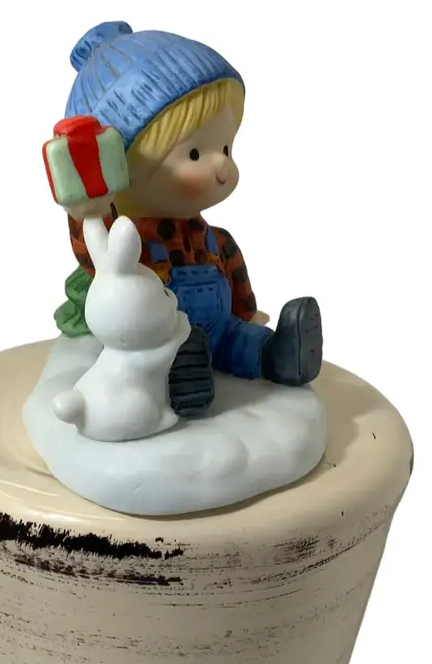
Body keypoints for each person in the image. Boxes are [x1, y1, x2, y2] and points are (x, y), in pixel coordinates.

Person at [54, 21, 323, 416]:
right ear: (120, 165)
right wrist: (85, 211)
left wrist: (247, 315)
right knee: (165, 354)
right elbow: (97, 258)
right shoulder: (123, 238)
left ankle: (277, 354)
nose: (223, 167)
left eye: (226, 148)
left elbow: (235, 280)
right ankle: (182, 381)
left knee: (240, 339)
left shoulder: (215, 239)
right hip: (162, 339)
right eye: (195, 153)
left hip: (221, 327)